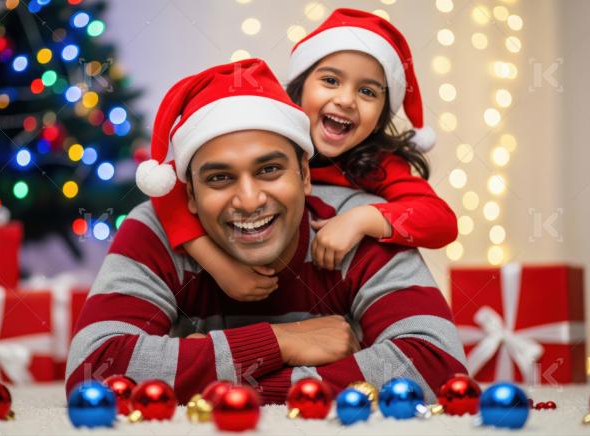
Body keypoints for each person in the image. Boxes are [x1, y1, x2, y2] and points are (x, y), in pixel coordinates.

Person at [67, 59, 467, 404]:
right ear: (189, 195)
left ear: (305, 174)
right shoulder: (152, 230)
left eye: (269, 170)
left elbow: (436, 365)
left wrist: (209, 373)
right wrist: (281, 342)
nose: (249, 199)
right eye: (220, 177)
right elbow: (94, 367)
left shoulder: (358, 224)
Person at [149, 8, 458, 303]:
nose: (346, 100)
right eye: (331, 81)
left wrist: (362, 219)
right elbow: (168, 187)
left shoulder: (379, 164)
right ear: (300, 88)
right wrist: (217, 263)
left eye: (368, 92)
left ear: (380, 116)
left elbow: (441, 221)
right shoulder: (268, 132)